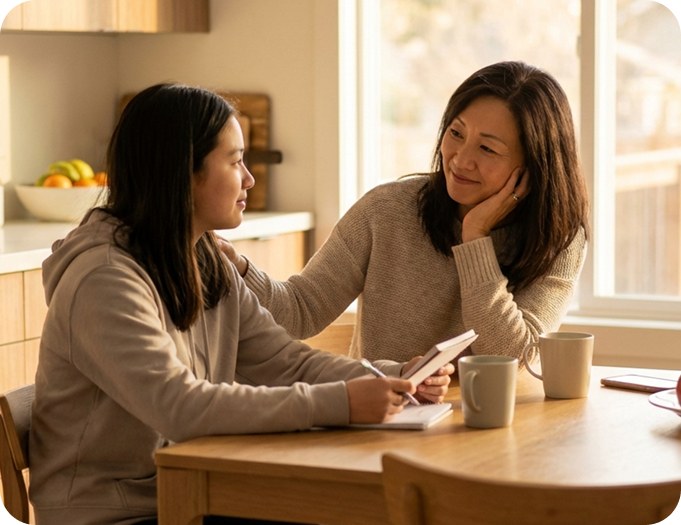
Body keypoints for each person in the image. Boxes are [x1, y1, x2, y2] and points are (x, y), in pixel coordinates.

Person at [28, 83, 452, 525]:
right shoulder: (104, 279)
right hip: (117, 514)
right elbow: (181, 407)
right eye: (234, 161)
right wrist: (342, 402)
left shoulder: (203, 257)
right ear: (183, 174)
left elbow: (287, 362)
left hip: (189, 489)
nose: (249, 178)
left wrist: (393, 376)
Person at [222, 60, 589, 366]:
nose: (461, 159)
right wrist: (238, 266)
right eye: (456, 133)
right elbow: (300, 311)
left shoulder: (559, 238)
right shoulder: (387, 210)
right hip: (387, 420)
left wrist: (474, 239)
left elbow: (516, 356)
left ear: (532, 166)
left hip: (493, 432)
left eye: (488, 149)